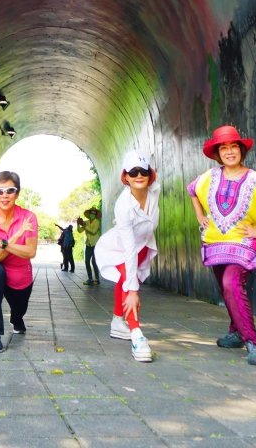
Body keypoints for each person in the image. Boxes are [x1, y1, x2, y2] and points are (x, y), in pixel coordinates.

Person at [187, 124, 256, 367]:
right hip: (216, 242)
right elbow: (192, 190)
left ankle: (252, 342)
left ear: (240, 150)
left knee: (231, 283)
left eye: (233, 146)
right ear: (218, 153)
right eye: (223, 148)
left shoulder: (254, 179)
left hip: (244, 243)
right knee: (227, 290)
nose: (229, 152)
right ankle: (236, 333)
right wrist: (199, 215)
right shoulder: (210, 176)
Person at [95, 150, 159, 363]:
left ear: (151, 174)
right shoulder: (123, 206)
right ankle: (136, 334)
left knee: (125, 280)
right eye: (133, 172)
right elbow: (128, 249)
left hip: (143, 245)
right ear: (126, 177)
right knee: (129, 283)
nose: (139, 175)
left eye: (143, 171)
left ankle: (116, 321)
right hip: (120, 247)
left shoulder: (155, 191)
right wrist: (133, 291)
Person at [0, 171, 38, 353]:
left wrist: (2, 243)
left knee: (20, 308)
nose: (4, 195)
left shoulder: (28, 218)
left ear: (17, 194)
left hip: (20, 277)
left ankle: (16, 318)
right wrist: (16, 236)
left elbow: (30, 252)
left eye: (10, 190)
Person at [77, 208, 101, 285]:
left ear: (95, 215)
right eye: (91, 213)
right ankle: (90, 279)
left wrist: (85, 226)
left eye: (94, 213)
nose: (92, 215)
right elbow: (80, 230)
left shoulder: (97, 222)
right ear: (89, 214)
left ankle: (97, 279)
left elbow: (93, 232)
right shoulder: (86, 222)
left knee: (94, 262)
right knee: (87, 261)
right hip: (88, 244)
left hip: (96, 244)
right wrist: (78, 224)